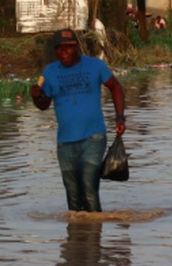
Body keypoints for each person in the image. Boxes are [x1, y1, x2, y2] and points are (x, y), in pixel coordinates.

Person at [30, 28, 126, 213]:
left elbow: (116, 88)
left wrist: (120, 117)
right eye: (59, 48)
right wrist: (36, 96)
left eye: (68, 47)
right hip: (65, 142)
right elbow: (43, 105)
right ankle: (77, 237)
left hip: (93, 138)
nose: (63, 52)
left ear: (77, 48)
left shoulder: (95, 66)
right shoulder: (49, 72)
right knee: (72, 194)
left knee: (89, 188)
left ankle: (94, 235)